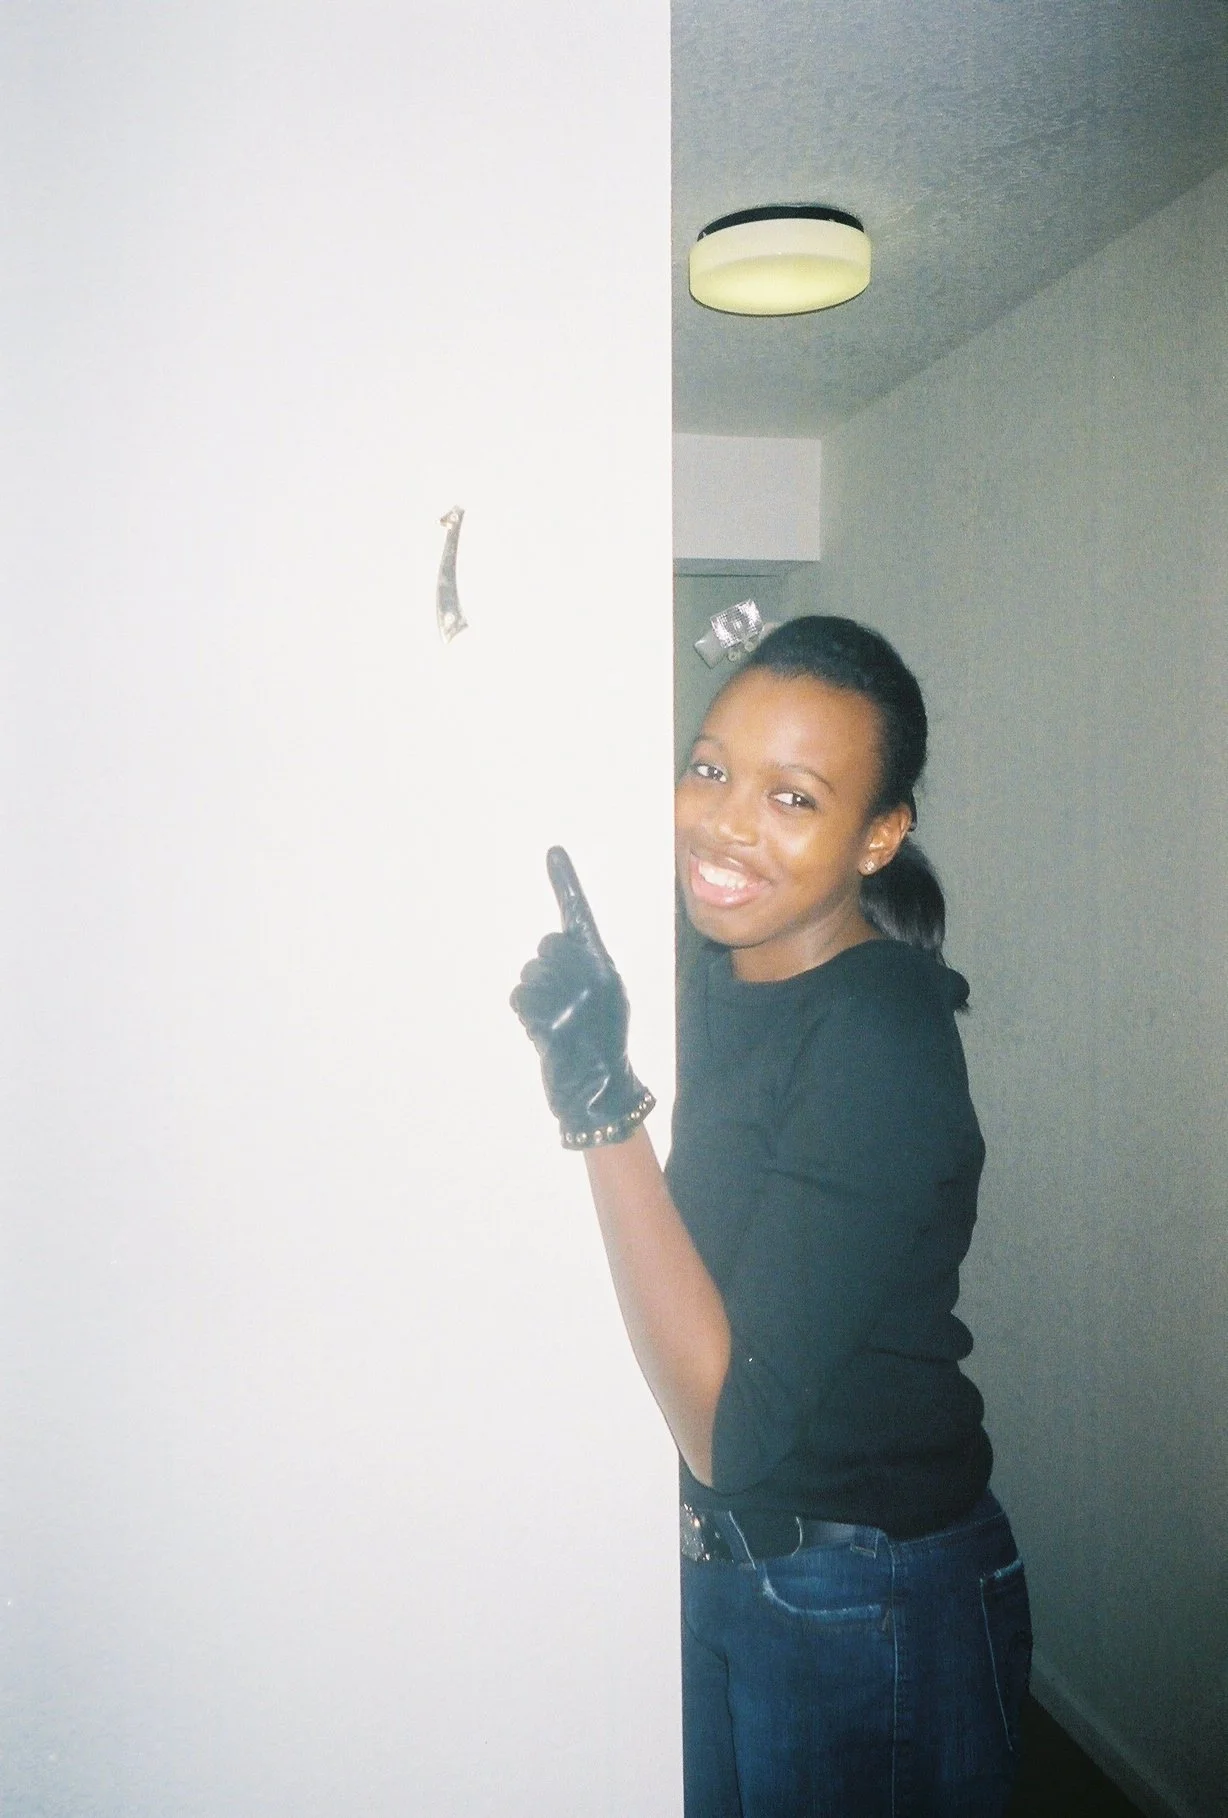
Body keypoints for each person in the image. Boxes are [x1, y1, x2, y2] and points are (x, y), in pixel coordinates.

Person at [511, 615, 1032, 1817]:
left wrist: (602, 1108)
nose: (726, 821)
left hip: (871, 1592)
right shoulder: (711, 983)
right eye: (709, 769)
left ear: (877, 836)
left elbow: (728, 1431)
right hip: (730, 1576)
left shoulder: (878, 1036)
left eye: (793, 798)